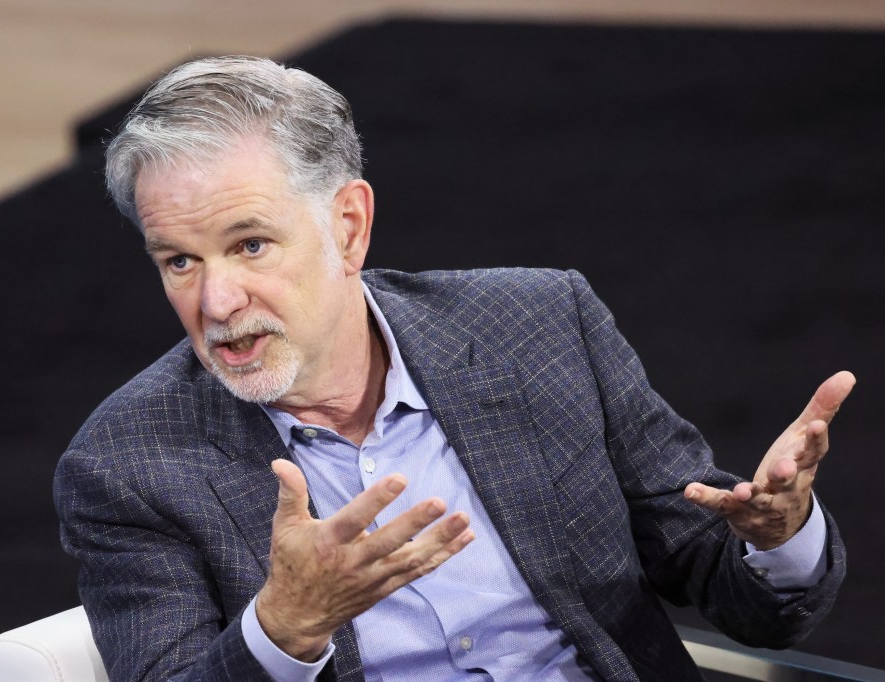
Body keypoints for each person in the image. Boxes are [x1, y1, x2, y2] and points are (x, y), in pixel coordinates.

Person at [54, 56, 854, 682]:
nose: (218, 300)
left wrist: (778, 538)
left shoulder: (540, 327)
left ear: (348, 225)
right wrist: (285, 628)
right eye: (179, 261)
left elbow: (738, 596)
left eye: (249, 245)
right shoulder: (128, 465)